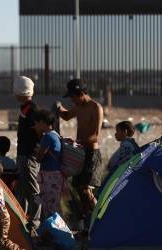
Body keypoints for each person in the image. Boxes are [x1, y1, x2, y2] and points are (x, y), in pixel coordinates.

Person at [58, 79, 104, 226]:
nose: (71, 100)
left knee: (85, 189)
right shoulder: (77, 107)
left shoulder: (96, 107)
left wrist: (79, 142)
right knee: (79, 189)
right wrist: (59, 108)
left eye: (73, 96)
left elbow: (96, 134)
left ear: (80, 93)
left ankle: (101, 217)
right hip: (80, 153)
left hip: (91, 153)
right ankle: (86, 223)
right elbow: (66, 116)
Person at [13, 76, 41, 232]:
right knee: (22, 190)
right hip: (24, 155)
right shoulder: (26, 108)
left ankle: (35, 222)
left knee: (32, 190)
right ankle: (22, 221)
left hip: (29, 156)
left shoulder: (32, 110)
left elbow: (38, 133)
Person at [33, 109, 64, 220]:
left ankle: (56, 231)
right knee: (53, 204)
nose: (35, 126)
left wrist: (38, 135)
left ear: (42, 122)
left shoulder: (47, 137)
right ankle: (55, 230)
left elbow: (39, 158)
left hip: (50, 175)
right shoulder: (55, 135)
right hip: (55, 174)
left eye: (36, 123)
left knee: (50, 205)